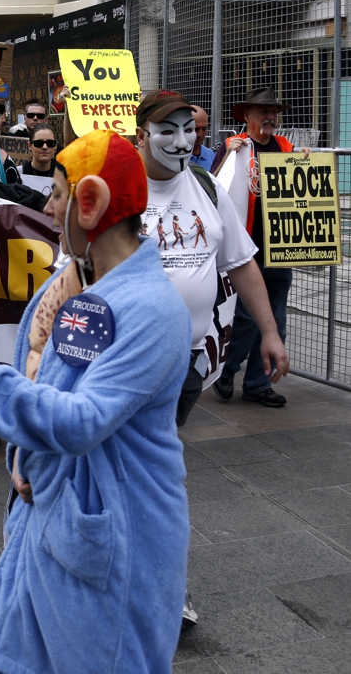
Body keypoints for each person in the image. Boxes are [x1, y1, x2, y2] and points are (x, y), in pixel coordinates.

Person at [0, 129, 193, 674]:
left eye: (58, 195)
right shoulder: (80, 287)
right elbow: (51, 388)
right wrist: (23, 457)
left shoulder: (152, 309)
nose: (48, 208)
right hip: (54, 522)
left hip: (116, 531)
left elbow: (81, 421)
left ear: (89, 204)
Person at [135, 90, 289, 627]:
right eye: (166, 130)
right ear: (141, 135)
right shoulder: (116, 190)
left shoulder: (204, 185)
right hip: (128, 367)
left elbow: (242, 262)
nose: (181, 141)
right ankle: (156, 586)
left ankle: (146, 577)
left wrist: (269, 332)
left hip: (186, 367)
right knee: (155, 474)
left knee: (149, 472)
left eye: (189, 129)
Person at [209, 87, 298, 408]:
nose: (270, 117)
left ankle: (258, 383)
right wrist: (227, 154)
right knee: (246, 317)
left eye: (273, 111)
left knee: (274, 316)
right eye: (263, 112)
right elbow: (213, 185)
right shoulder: (234, 148)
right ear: (247, 117)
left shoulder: (284, 148)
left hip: (280, 247)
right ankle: (227, 370)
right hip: (244, 247)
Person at [17, 124, 58, 197]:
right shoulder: (18, 173)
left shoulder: (62, 176)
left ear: (56, 145)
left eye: (50, 143)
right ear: (29, 145)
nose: (45, 147)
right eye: (38, 143)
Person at [189, 105, 215, 170]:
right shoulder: (175, 157)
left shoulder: (210, 155)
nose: (200, 134)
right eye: (196, 129)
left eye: (204, 129)